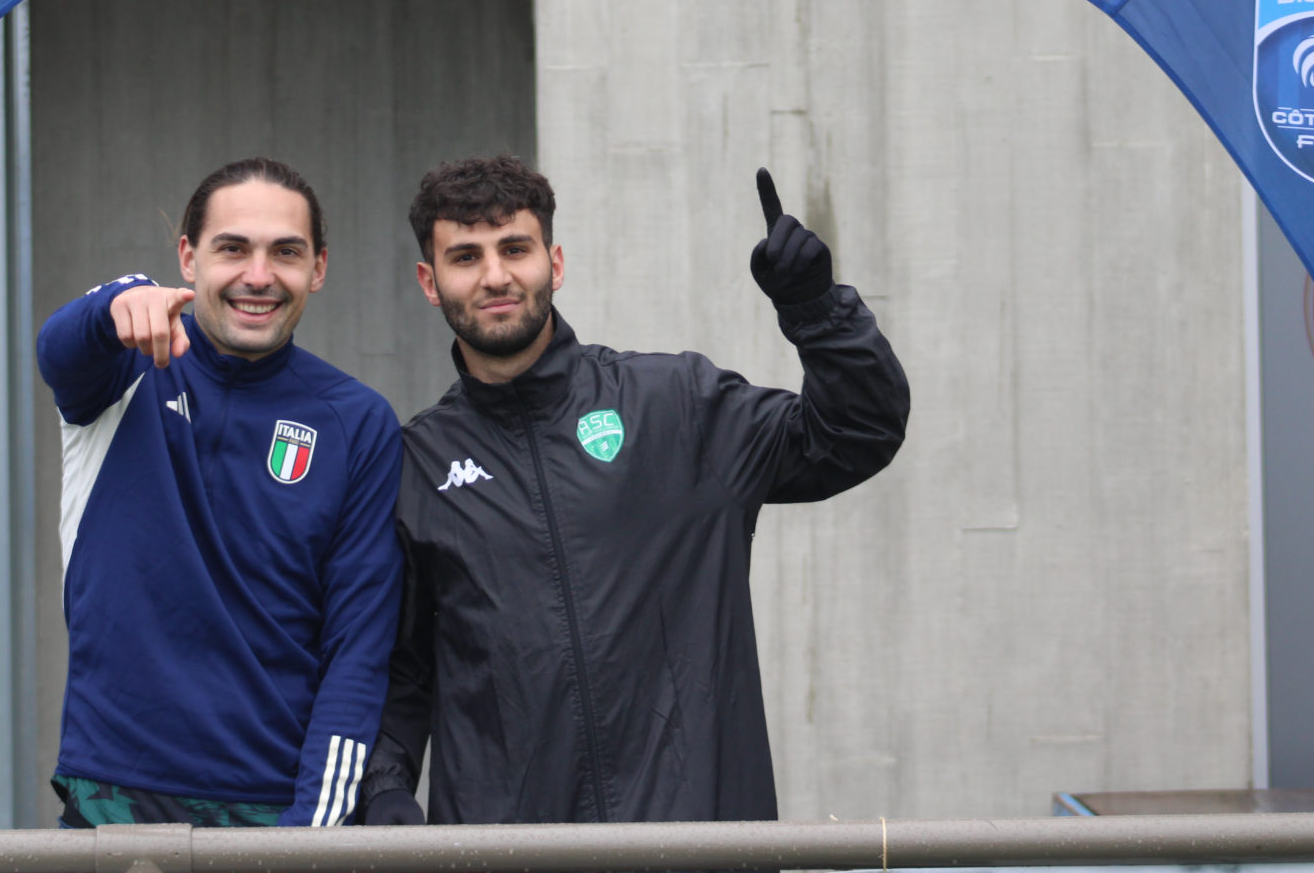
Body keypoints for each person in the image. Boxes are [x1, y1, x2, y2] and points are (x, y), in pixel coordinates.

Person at [358, 155, 908, 825]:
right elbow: (400, 670)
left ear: (555, 263)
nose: (495, 275)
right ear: (430, 281)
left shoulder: (676, 405)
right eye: (466, 256)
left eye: (515, 249)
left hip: (697, 848)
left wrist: (817, 311)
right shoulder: (416, 466)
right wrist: (384, 787)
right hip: (511, 858)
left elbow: (855, 435)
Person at [35, 157, 402, 828]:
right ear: (188, 257)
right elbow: (58, 351)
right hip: (114, 795)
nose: (258, 276)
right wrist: (118, 299)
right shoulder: (120, 371)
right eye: (232, 248)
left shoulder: (358, 421)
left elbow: (358, 650)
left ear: (318, 268)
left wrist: (311, 839)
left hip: (275, 808)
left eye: (285, 252)